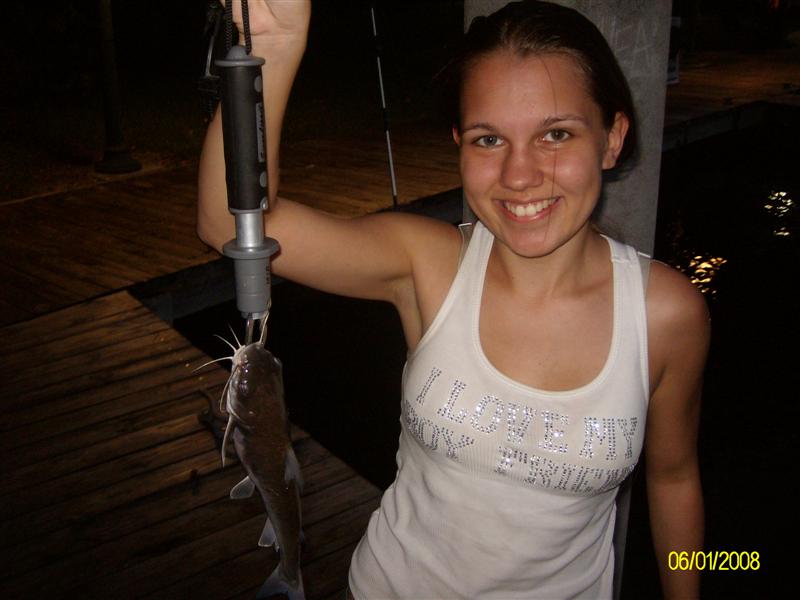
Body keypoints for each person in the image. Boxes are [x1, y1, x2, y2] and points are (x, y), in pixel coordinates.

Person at [198, 1, 708, 598]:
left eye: (556, 134)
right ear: (459, 145)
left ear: (612, 139)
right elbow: (226, 223)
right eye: (489, 139)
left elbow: (673, 480)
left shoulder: (667, 314)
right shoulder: (428, 262)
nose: (519, 175)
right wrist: (277, 47)